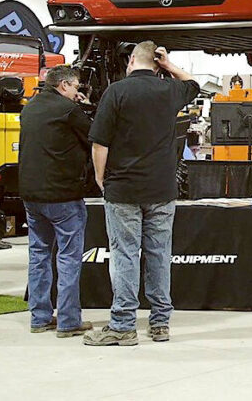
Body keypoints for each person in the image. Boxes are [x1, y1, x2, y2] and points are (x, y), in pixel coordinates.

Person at [83, 42, 199, 347]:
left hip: (123, 188)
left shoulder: (117, 92)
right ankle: (160, 323)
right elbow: (193, 84)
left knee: (124, 255)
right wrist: (169, 64)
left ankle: (123, 325)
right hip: (161, 188)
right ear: (156, 63)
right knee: (159, 254)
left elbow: (100, 143)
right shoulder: (170, 92)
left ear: (132, 60)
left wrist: (99, 177)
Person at [19, 65, 93, 337]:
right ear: (64, 85)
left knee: (38, 255)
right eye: (75, 88)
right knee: (69, 258)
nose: (77, 92)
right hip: (63, 195)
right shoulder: (69, 111)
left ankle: (39, 317)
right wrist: (82, 109)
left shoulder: (30, 107)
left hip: (31, 194)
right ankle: (68, 320)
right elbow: (94, 136)